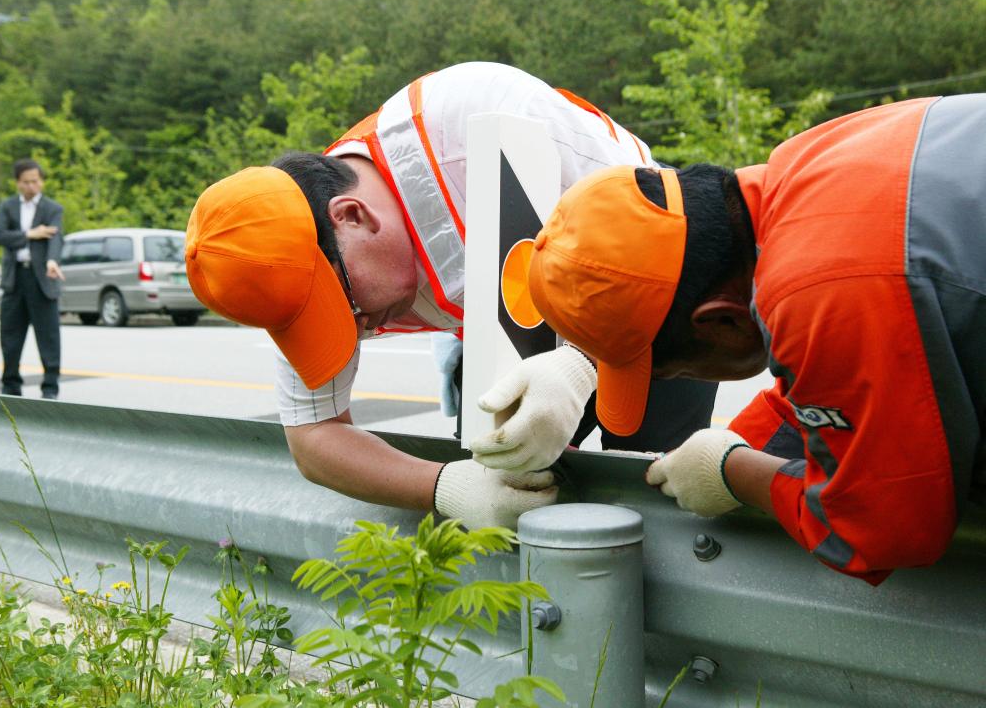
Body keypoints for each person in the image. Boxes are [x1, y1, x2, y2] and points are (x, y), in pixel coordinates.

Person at [185, 62, 717, 529]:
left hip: (650, 286)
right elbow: (314, 439)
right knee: (511, 481)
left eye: (343, 304)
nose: (359, 326)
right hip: (503, 324)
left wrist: (580, 365)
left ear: (352, 216)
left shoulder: (488, 124)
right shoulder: (286, 254)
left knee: (653, 483)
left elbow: (668, 256)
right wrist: (445, 487)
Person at [527, 94, 986, 583]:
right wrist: (731, 443)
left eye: (676, 370)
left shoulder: (818, 288)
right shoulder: (807, 166)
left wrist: (737, 474)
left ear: (721, 322)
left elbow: (882, 530)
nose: (679, 378)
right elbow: (838, 389)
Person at [0, 158, 65, 399]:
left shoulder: (52, 208)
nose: (31, 186)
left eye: (35, 181)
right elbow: (0, 236)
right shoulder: (8, 207)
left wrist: (52, 261)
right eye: (26, 182)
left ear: (41, 181)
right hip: (15, 278)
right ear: (18, 183)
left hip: (42, 278)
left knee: (49, 335)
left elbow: (55, 238)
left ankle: (50, 387)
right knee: (10, 335)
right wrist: (30, 234)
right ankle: (10, 385)